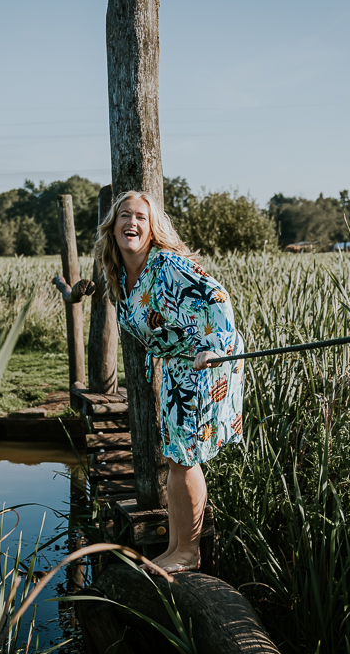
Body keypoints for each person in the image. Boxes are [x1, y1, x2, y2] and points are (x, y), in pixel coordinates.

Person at [93, 189, 245, 573]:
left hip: (204, 362)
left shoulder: (166, 265)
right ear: (112, 228)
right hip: (177, 366)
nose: (132, 222)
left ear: (152, 227)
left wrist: (213, 349)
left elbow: (219, 297)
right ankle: (177, 545)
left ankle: (188, 552)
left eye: (141, 217)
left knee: (184, 457)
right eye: (125, 215)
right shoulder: (123, 275)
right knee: (178, 455)